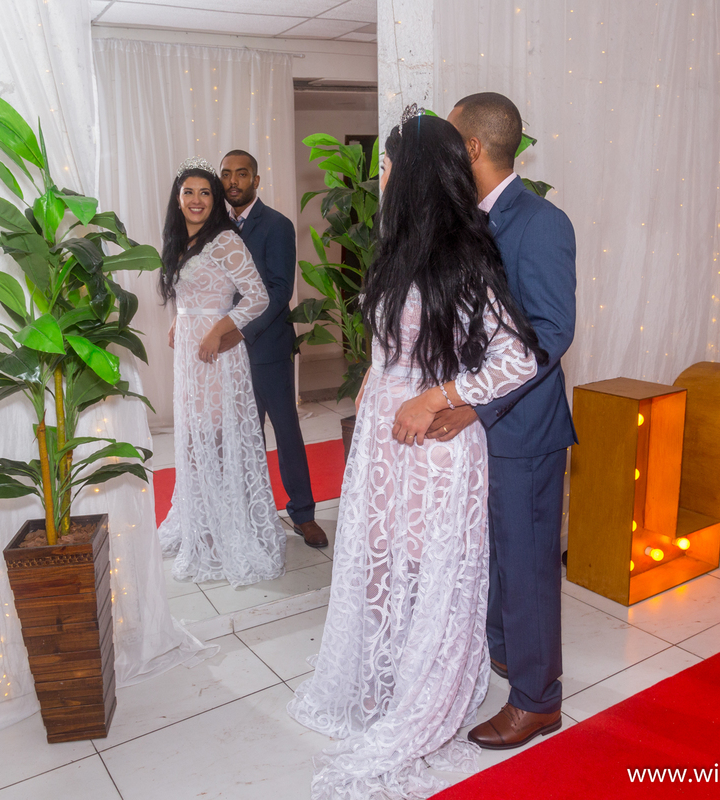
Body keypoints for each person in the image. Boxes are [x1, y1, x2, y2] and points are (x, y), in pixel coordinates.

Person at [287, 109, 545, 799]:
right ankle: (384, 678)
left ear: (416, 173)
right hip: (382, 438)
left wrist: (437, 397)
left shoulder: (466, 254)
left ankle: (424, 695)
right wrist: (379, 388)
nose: (382, 173)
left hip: (433, 446)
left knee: (430, 569)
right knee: (382, 558)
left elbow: (519, 357)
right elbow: (386, 345)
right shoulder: (395, 248)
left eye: (390, 162)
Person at [426, 92, 577, 750]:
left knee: (527, 568)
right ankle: (512, 655)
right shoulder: (469, 220)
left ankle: (538, 700)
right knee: (494, 562)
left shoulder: (540, 222)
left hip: (523, 432)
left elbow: (549, 335)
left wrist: (471, 405)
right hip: (479, 427)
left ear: (473, 149)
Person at [157, 156, 286, 587]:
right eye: (189, 192)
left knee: (214, 437)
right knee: (193, 439)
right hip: (188, 358)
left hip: (216, 355)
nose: (197, 200)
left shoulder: (226, 240)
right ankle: (201, 523)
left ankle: (228, 531)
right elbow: (189, 290)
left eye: (205, 193)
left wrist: (220, 329)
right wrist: (180, 318)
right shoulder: (180, 242)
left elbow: (258, 297)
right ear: (177, 199)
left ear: (215, 201)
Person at [215, 149, 327, 548]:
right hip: (226, 354)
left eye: (241, 174)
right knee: (241, 435)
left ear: (256, 180)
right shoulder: (215, 228)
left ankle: (303, 513)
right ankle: (250, 511)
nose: (233, 181)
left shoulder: (277, 225)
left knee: (286, 431)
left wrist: (241, 331)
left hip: (267, 349)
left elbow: (281, 290)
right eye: (226, 174)